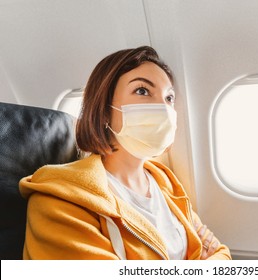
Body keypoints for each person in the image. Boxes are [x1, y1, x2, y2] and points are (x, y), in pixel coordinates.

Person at [19, 46, 231, 260]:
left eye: (169, 98)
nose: (163, 107)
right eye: (142, 91)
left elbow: (221, 253)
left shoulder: (164, 182)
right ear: (103, 110)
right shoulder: (60, 199)